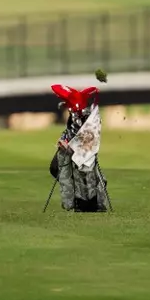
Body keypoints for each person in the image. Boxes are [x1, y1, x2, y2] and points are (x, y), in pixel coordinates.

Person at [49, 82, 111, 212]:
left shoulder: (86, 117)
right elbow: (70, 130)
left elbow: (85, 138)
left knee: (85, 176)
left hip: (82, 151)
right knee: (55, 168)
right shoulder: (75, 114)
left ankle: (83, 201)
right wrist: (63, 140)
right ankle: (74, 197)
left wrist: (69, 145)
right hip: (71, 150)